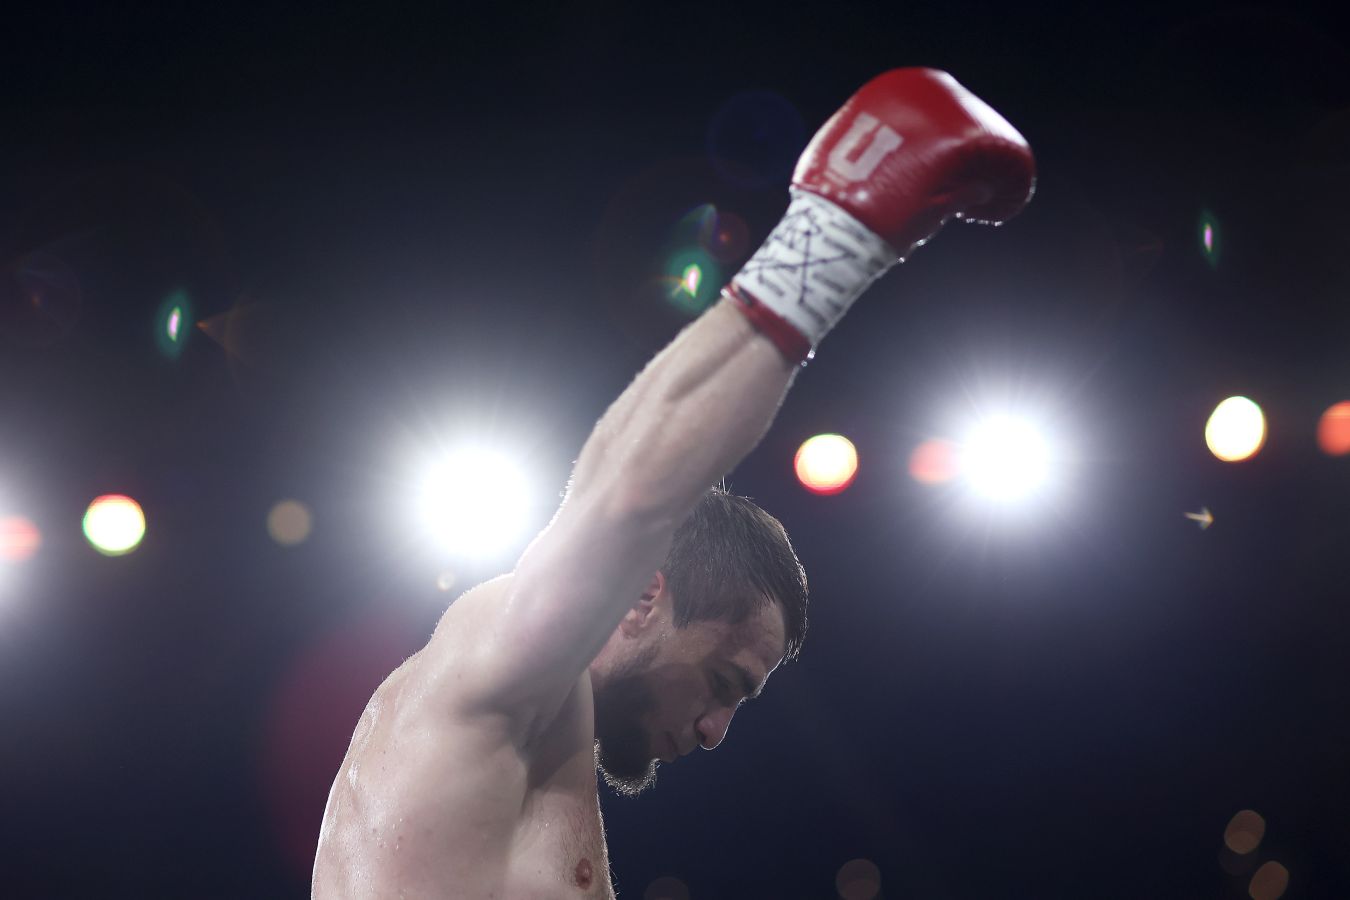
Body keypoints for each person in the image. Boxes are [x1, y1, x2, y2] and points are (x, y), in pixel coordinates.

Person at [312, 68, 1036, 898]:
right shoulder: (504, 664)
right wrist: (837, 238)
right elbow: (624, 495)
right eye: (724, 682)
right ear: (641, 596)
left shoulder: (517, 746)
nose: (716, 730)